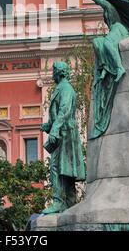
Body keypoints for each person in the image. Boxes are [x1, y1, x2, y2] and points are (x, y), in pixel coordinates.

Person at [62, 0, 129, 139]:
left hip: (119, 30)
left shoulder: (108, 5)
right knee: (97, 42)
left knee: (109, 44)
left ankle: (119, 68)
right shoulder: (107, 7)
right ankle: (104, 68)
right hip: (114, 30)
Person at [41, 62, 85, 214]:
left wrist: (54, 129)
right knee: (66, 168)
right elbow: (59, 113)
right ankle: (71, 203)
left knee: (56, 167)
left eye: (53, 71)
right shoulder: (62, 88)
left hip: (65, 133)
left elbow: (65, 110)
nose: (52, 74)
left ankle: (59, 202)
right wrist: (49, 126)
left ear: (59, 72)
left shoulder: (66, 88)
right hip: (64, 132)